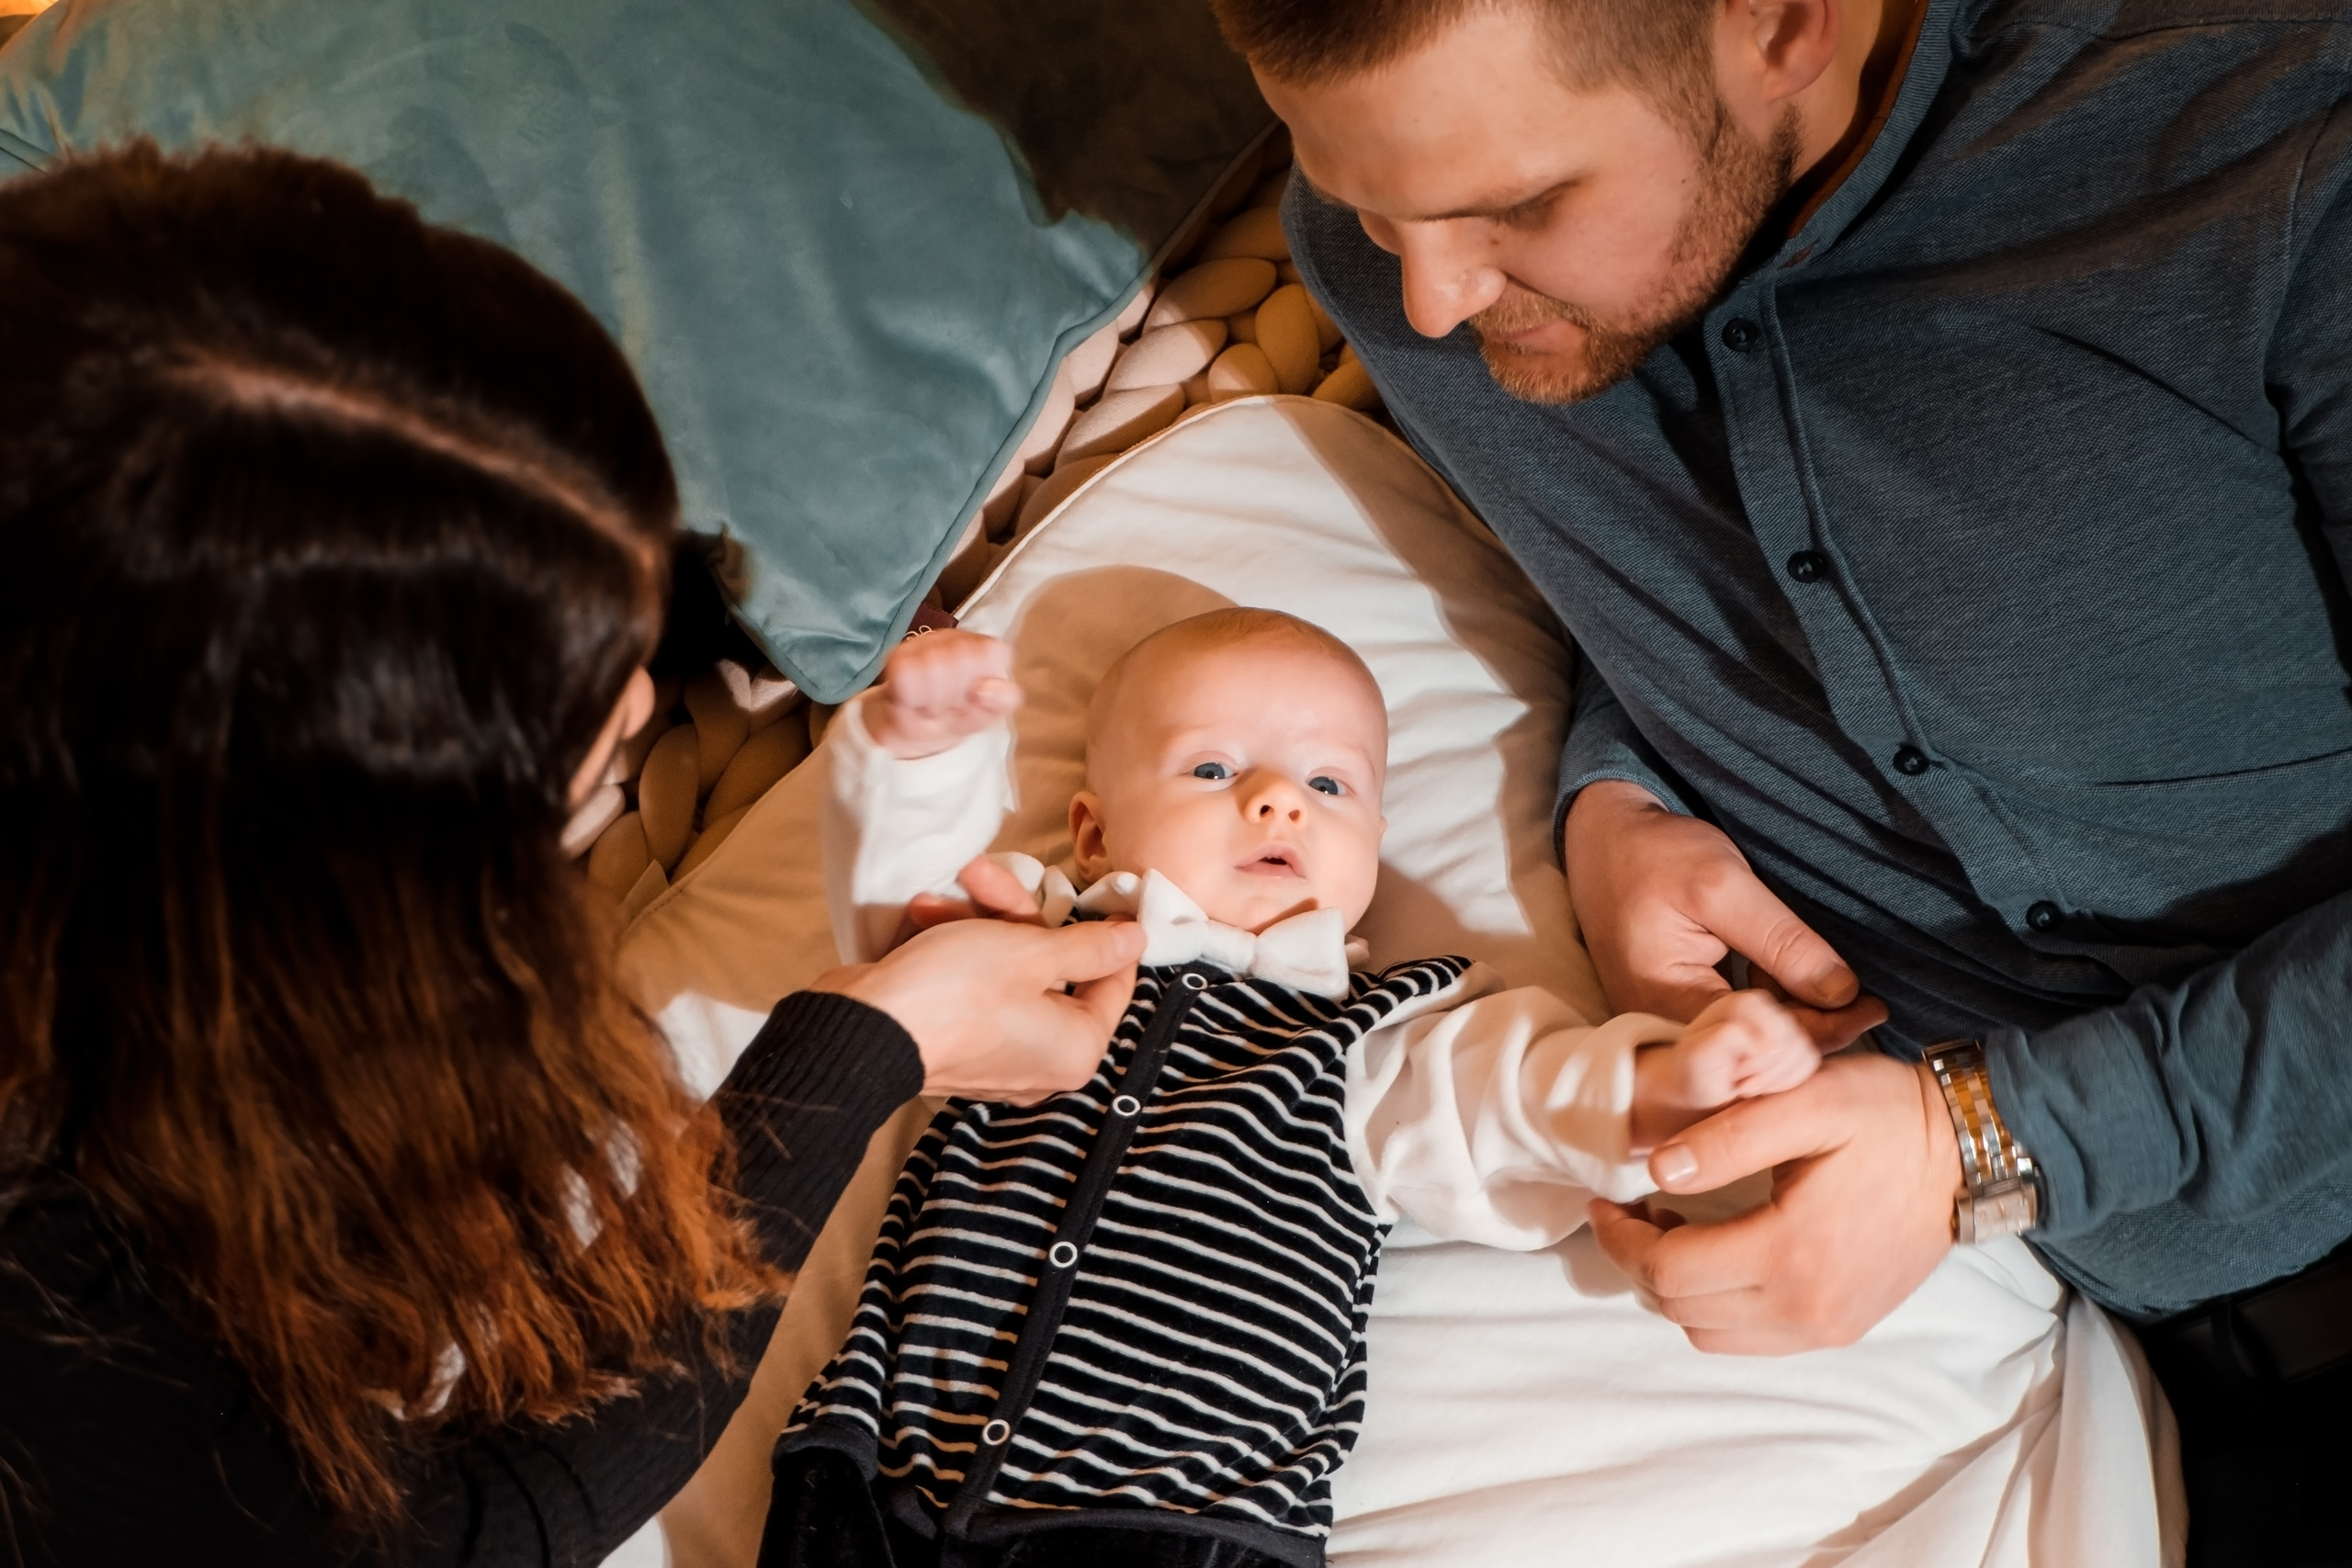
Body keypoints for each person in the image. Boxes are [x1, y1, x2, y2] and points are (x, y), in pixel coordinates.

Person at [1209, 0, 2352, 1556]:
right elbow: (1749, 558)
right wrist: (1617, 798)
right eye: (1358, 198)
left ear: (1789, 24)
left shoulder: (2277, 158)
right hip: (2060, 1339)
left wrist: (1983, 1137)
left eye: (1522, 206)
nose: (1428, 293)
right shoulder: (1409, 264)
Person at [0, 141, 1150, 1568]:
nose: (634, 722)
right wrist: (862, 1048)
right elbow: (456, 1535)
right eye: (565, 766)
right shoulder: (62, 1305)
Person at [765, 612, 1821, 1567]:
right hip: (873, 1473)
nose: (1274, 798)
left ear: (1371, 845)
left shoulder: (1372, 1032)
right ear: (1092, 833)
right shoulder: (1038, 943)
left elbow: (1513, 1098)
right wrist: (920, 759)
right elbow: (897, 958)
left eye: (1328, 786)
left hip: (1182, 1517)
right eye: (1213, 767)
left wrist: (1667, 1080)